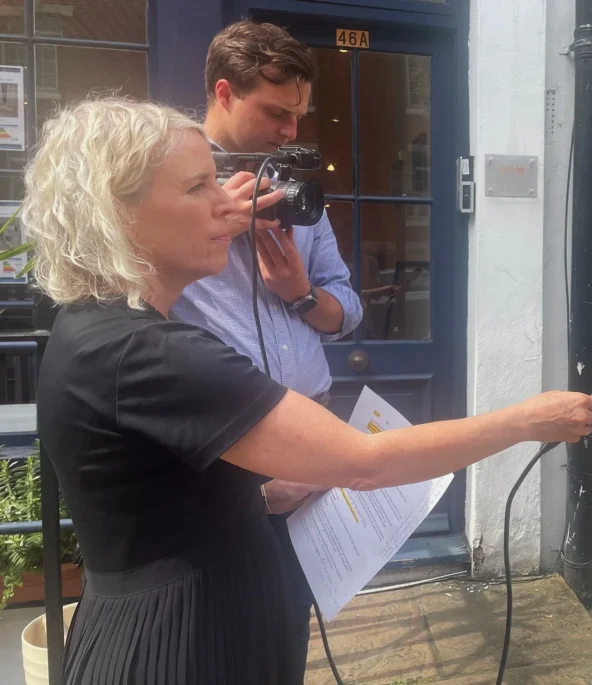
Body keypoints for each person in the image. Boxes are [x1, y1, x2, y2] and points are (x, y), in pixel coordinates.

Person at [26, 97, 592, 685]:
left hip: (177, 617)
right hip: (181, 643)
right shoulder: (150, 353)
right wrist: (528, 420)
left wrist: (252, 491)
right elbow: (366, 462)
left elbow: (151, 492)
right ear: (118, 213)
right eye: (200, 186)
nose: (228, 203)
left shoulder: (92, 326)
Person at [167, 20, 361, 663]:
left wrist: (302, 294)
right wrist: (209, 217)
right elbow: (133, 295)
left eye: (300, 114)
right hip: (227, 448)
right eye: (277, 113)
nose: (291, 132)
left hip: (309, 429)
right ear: (223, 92)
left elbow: (348, 309)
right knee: (221, 633)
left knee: (287, 622)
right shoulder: (167, 185)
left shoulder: (300, 185)